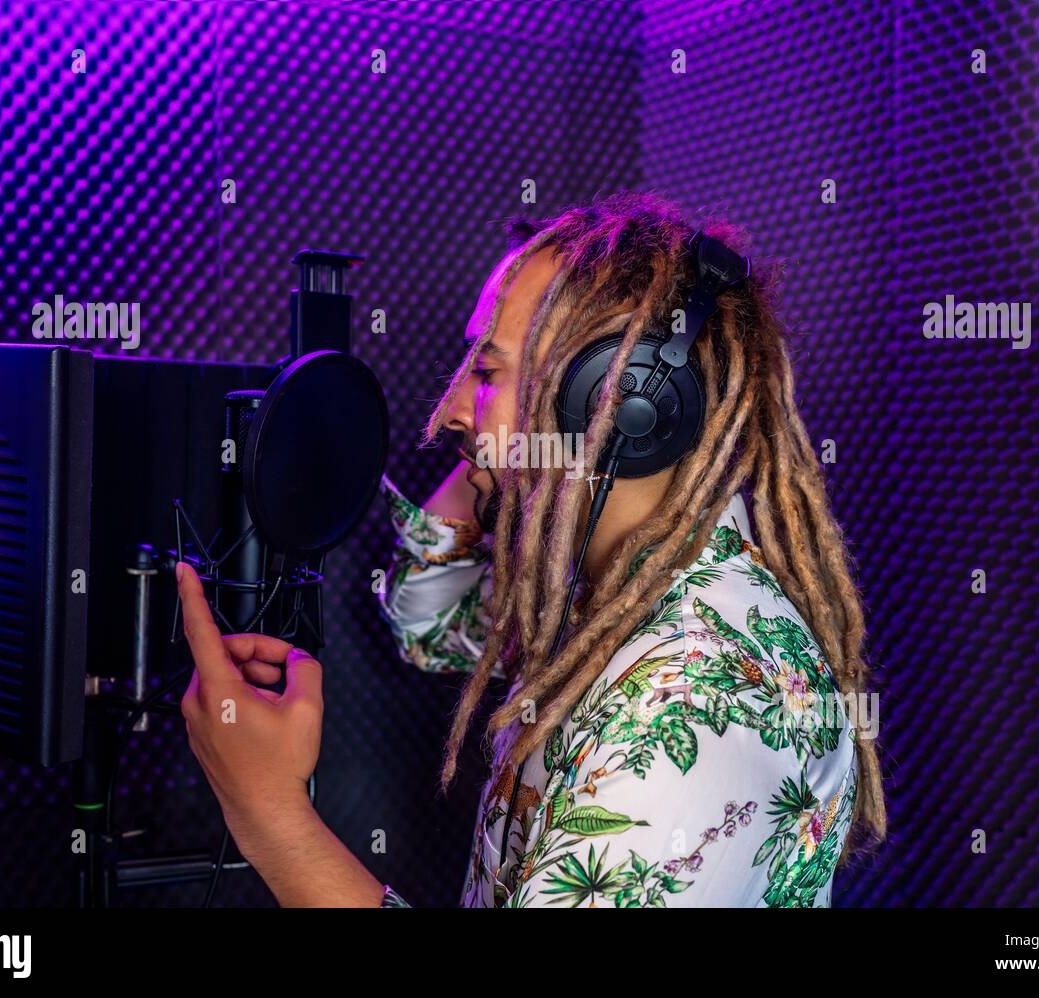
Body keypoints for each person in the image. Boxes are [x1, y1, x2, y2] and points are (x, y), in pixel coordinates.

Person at [175, 191, 886, 907]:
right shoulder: (600, 593)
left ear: (620, 406)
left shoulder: (695, 706)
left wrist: (268, 813)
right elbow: (425, 618)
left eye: (486, 372)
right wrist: (513, 453)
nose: (448, 410)